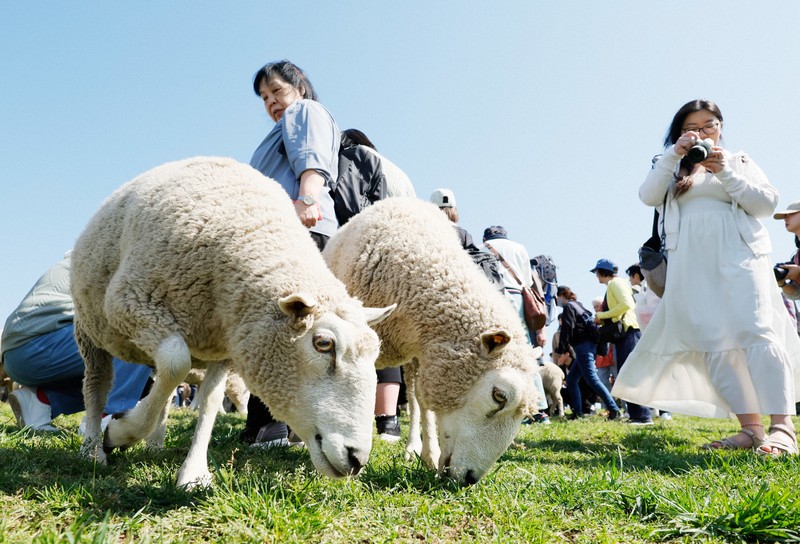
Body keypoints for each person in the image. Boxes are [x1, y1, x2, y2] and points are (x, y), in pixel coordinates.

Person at [613, 99, 800, 455]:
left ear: (721, 127)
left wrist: (725, 172)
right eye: (691, 128)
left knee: (758, 330)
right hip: (691, 263)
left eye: (709, 125)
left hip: (742, 256)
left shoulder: (739, 160)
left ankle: (782, 428)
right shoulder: (670, 166)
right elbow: (647, 196)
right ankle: (751, 430)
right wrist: (673, 155)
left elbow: (765, 204)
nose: (701, 133)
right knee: (716, 341)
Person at [244, 59, 341, 447]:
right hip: (289, 230)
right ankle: (269, 424)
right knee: (283, 322)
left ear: (298, 87)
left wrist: (307, 198)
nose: (271, 101)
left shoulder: (303, 110)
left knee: (284, 324)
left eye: (277, 90)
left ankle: (274, 425)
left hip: (300, 226)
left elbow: (311, 156)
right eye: (265, 97)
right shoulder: (284, 123)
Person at [330, 128, 416, 442]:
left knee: (363, 335)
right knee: (388, 337)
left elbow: (350, 209)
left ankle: (360, 416)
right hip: (403, 261)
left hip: (369, 258)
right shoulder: (397, 170)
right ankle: (390, 422)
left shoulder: (354, 157)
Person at [1, 253, 151, 431]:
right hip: (40, 346)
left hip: (17, 353)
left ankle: (41, 402)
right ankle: (106, 418)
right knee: (140, 335)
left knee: (141, 383)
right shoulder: (117, 257)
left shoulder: (82, 254)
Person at [482, 226, 550, 423]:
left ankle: (501, 404)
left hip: (492, 297)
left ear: (486, 237)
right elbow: (527, 281)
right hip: (517, 297)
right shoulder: (519, 248)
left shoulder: (481, 247)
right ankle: (538, 409)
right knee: (524, 350)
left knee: (495, 351)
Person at [591, 258, 653, 425]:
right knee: (628, 373)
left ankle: (642, 416)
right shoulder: (620, 283)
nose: (596, 276)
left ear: (601, 272)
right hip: (628, 332)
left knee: (630, 373)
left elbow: (626, 304)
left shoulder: (615, 284)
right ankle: (637, 415)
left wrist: (602, 316)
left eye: (597, 273)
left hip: (627, 333)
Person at [555, 286, 621, 421]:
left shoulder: (569, 307)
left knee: (592, 379)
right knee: (572, 380)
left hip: (582, 347)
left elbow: (567, 328)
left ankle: (614, 409)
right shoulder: (581, 307)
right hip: (588, 346)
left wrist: (562, 349)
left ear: (561, 295)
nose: (557, 301)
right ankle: (578, 413)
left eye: (557, 298)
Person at [430, 188, 503, 290]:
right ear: (454, 210)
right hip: (457, 285)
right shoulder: (462, 233)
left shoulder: (427, 231)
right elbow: (473, 259)